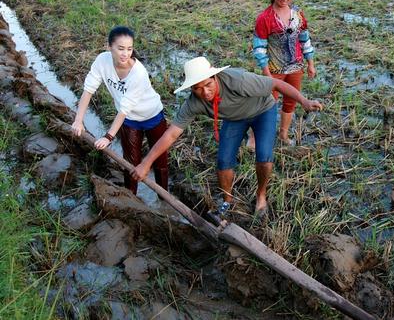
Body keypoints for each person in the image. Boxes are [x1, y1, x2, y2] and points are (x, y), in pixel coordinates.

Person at [130, 56, 322, 217]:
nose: (205, 92)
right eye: (197, 88)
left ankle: (261, 195)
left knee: (264, 156)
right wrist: (146, 163)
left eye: (208, 84)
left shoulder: (238, 80)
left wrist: (304, 101)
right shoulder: (193, 103)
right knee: (223, 162)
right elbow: (171, 134)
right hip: (235, 118)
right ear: (191, 89)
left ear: (215, 77)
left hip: (262, 110)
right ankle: (227, 201)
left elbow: (277, 83)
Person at [71, 26, 168, 195]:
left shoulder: (138, 73)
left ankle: (163, 196)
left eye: (129, 49)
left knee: (159, 160)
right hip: (129, 120)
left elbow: (124, 109)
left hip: (152, 116)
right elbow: (88, 90)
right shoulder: (102, 61)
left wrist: (108, 137)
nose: (125, 54)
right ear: (109, 47)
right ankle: (130, 196)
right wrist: (78, 120)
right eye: (120, 48)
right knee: (130, 162)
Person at [252, 0, 316, 146]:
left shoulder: (298, 14)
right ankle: (254, 136)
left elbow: (305, 39)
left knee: (291, 101)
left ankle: (283, 135)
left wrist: (310, 63)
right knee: (265, 103)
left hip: (296, 67)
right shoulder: (265, 18)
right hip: (274, 69)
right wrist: (267, 73)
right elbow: (259, 49)